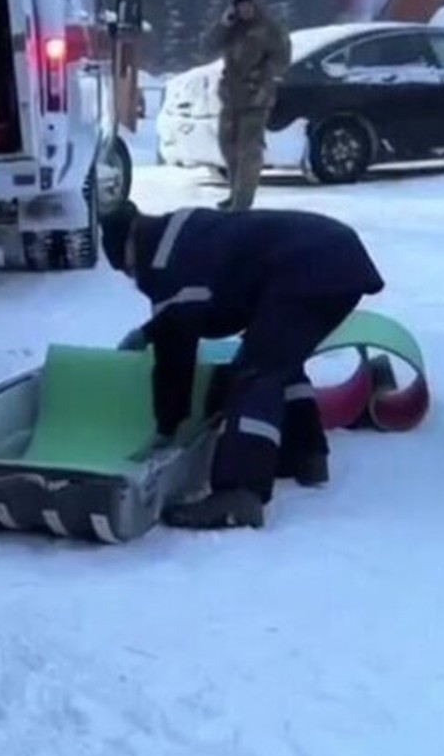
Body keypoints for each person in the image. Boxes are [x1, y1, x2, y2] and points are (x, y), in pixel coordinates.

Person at [97, 200, 385, 530]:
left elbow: (176, 350)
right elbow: (211, 306)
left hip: (310, 265)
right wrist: (150, 332)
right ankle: (304, 455)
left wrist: (168, 425)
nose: (133, 279)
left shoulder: (165, 264)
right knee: (278, 358)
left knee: (256, 370)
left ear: (129, 247)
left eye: (127, 270)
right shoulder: (180, 234)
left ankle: (239, 492)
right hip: (332, 254)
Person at [201, 0, 291, 211]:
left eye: (248, 3)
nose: (244, 9)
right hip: (231, 97)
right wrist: (223, 25)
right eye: (239, 4)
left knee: (249, 152)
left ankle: (242, 202)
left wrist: (263, 77)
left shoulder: (269, 29)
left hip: (256, 98)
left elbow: (282, 59)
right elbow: (207, 46)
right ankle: (235, 193)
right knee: (227, 145)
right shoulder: (232, 28)